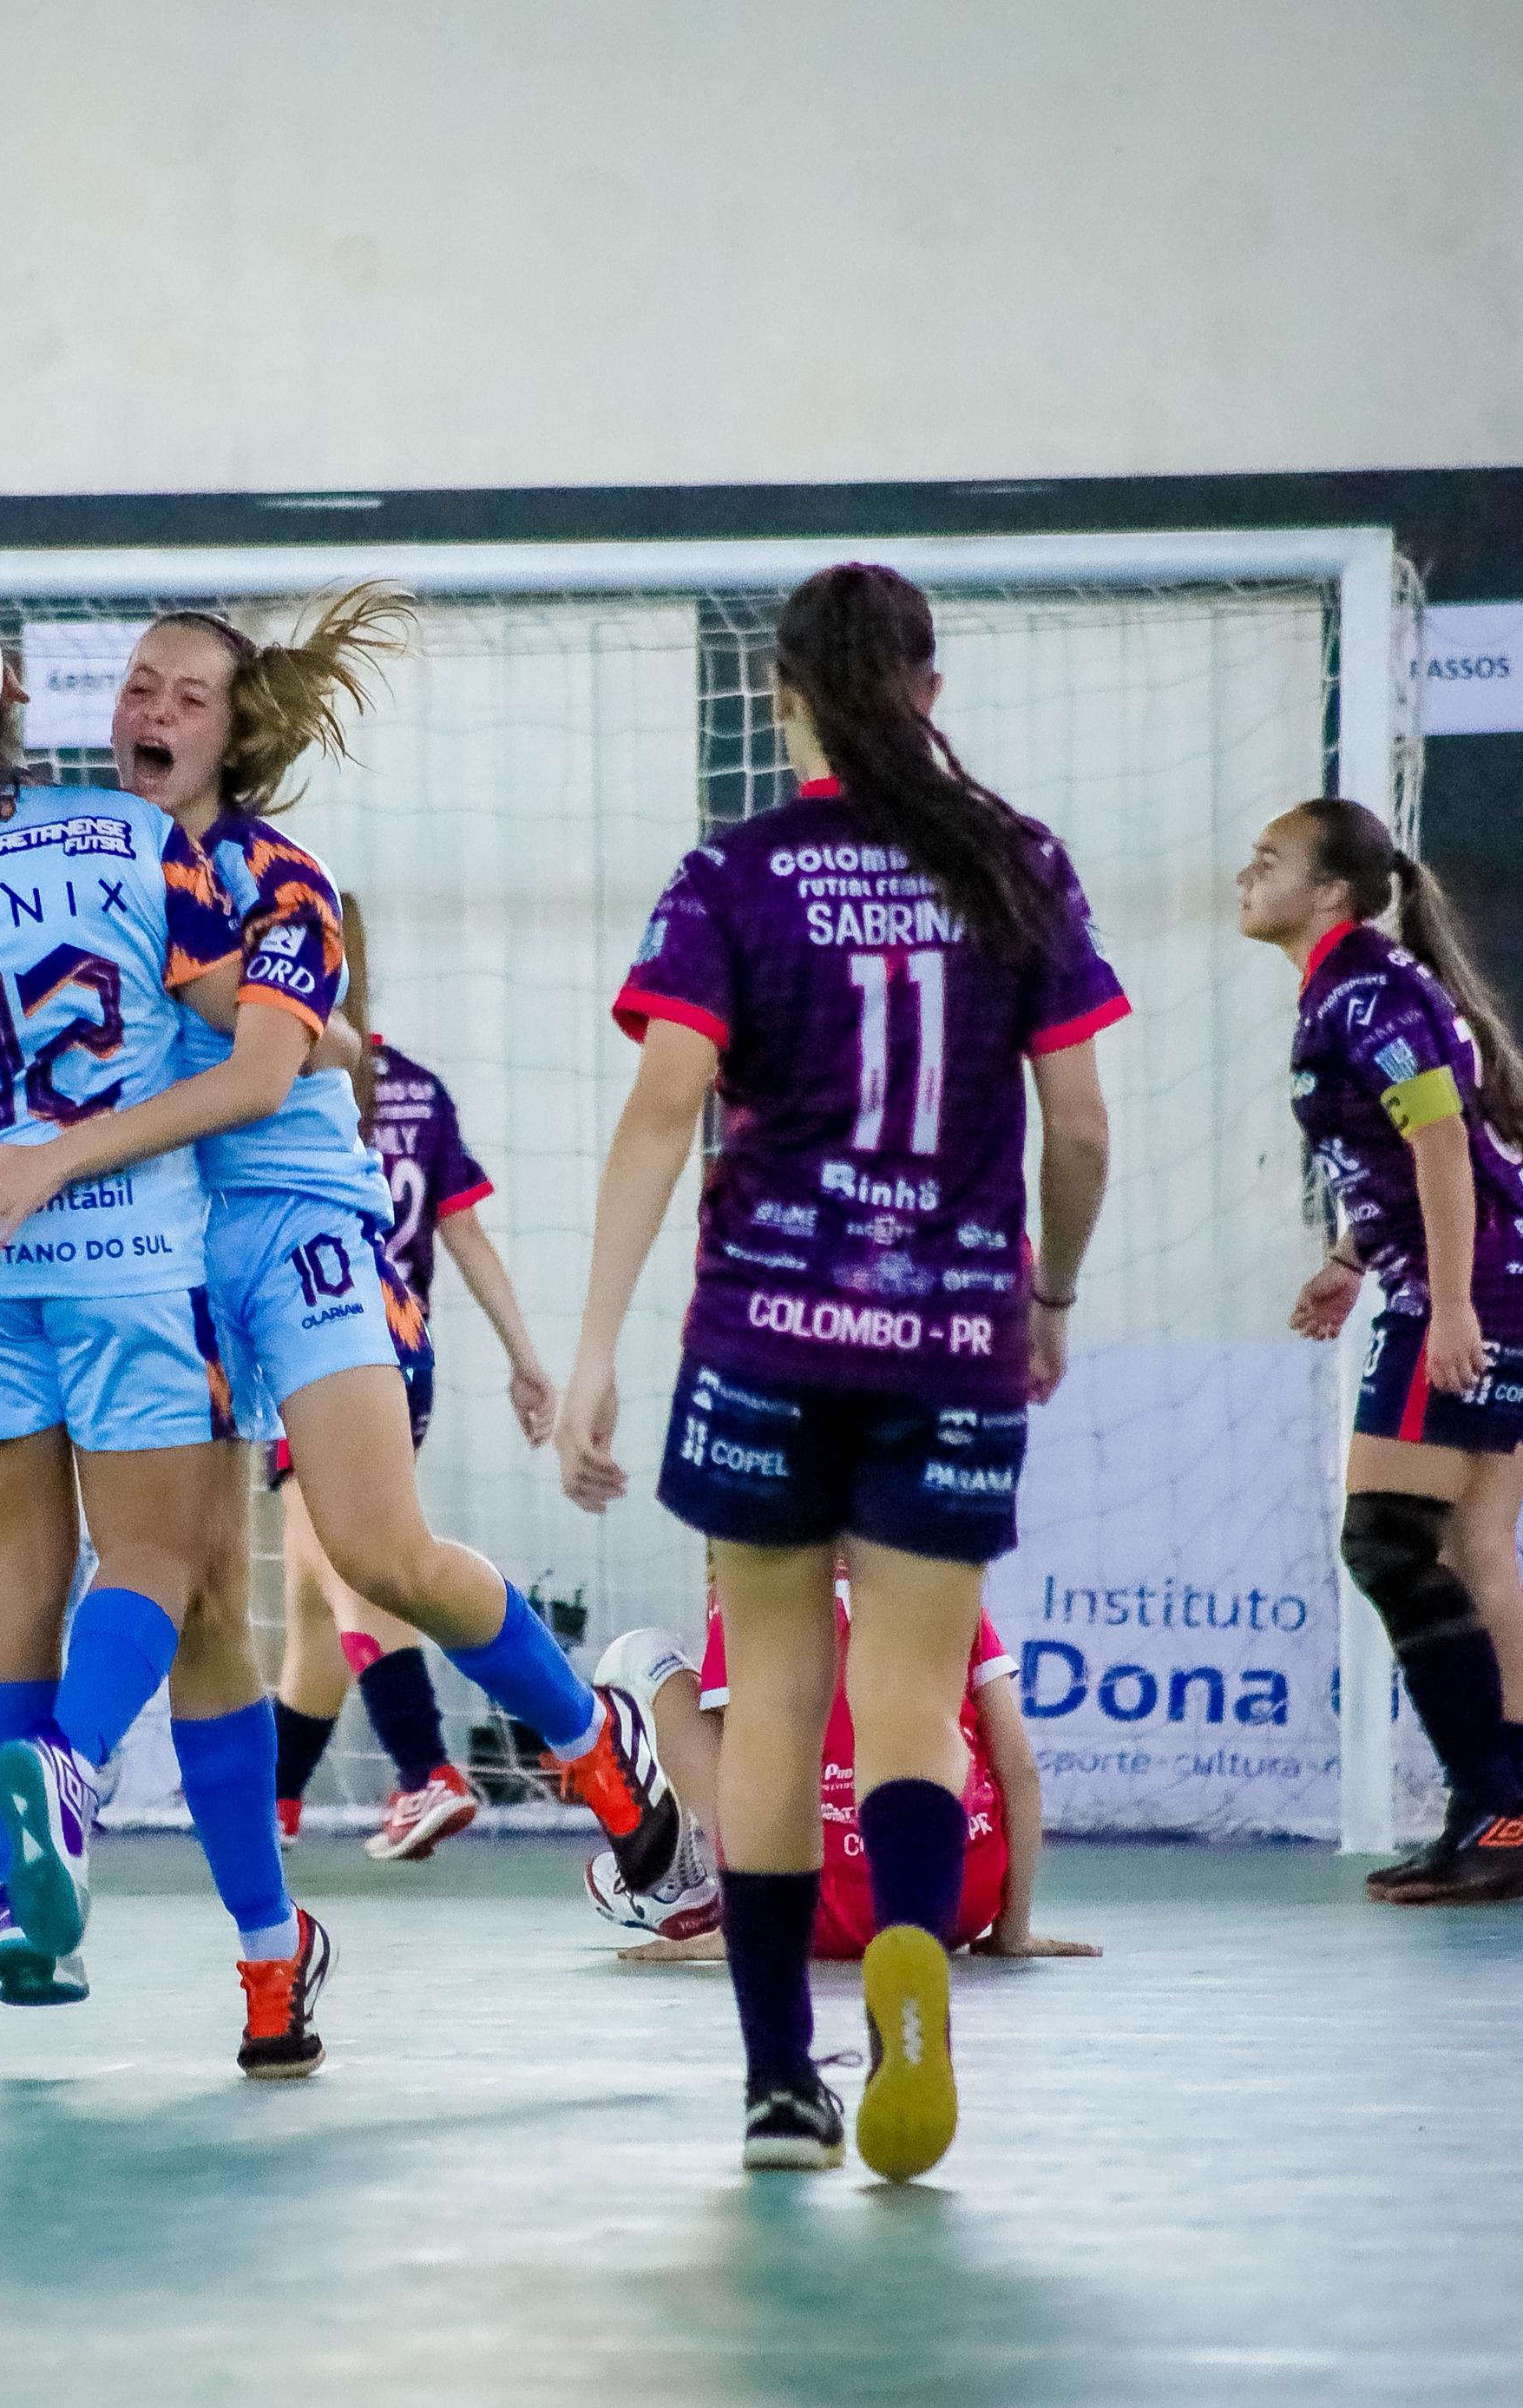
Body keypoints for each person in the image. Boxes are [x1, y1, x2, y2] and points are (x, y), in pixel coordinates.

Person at [0, 594, 686, 1935]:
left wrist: (60, 1157)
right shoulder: (80, 863)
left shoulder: (280, 877)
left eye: (186, 697)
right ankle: (269, 1960)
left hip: (297, 1227)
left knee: (376, 1550)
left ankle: (593, 1743)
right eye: (137, 688)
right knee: (207, 1598)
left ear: (238, 735)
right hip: (153, 1247)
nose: (149, 710)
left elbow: (266, 1068)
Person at [553, 562, 1123, 2180]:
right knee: (912, 1704)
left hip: (764, 1328)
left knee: (778, 1695)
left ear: (778, 695)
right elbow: (1079, 1124)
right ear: (930, 692)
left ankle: (779, 2085)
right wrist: (1051, 1290)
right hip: (948, 1329)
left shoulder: (731, 874)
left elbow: (664, 1109)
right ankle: (914, 1990)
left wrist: (593, 1346)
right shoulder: (1017, 863)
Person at [0, 584, 338, 2078]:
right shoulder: (131, 838)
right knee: (168, 1564)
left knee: (16, 1568)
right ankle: (69, 1773)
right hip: (124, 1236)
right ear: (9, 704)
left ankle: (21, 1897)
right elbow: (249, 1024)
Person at [1237, 798, 1523, 1905]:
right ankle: (1497, 1815)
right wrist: (1349, 1256)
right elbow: (1413, 1143)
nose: (1245, 874)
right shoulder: (1354, 984)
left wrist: (1446, 1306)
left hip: (1477, 1286)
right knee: (1472, 1556)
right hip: (1509, 1282)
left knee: (1385, 1542)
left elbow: (1438, 1141)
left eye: (1269, 860)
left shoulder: (1366, 987)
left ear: (1331, 891)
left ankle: (1491, 1808)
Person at [267, 892, 564, 1860]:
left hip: (316, 1343)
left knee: (355, 1572)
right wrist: (525, 1358)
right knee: (312, 1609)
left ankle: (422, 1768)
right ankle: (269, 1807)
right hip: (402, 1357)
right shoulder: (418, 1091)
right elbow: (464, 1235)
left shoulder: (271, 1084)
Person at [588, 1583, 1099, 1964]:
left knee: (638, 1655)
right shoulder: (943, 1583)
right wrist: (1012, 1932)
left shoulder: (757, 1583)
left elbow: (753, 1766)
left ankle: (704, 1890)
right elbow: (1021, 1767)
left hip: (815, 1916)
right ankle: (697, 1879)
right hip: (954, 1907)